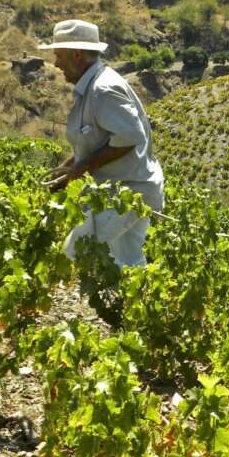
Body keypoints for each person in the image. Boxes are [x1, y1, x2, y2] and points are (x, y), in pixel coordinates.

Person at [41, 19, 164, 269]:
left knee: (76, 253)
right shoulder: (92, 87)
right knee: (128, 263)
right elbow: (95, 143)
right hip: (129, 189)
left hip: (130, 191)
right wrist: (66, 173)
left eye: (59, 56)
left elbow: (129, 138)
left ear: (76, 55)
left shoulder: (103, 90)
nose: (55, 64)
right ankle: (136, 306)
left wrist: (82, 167)